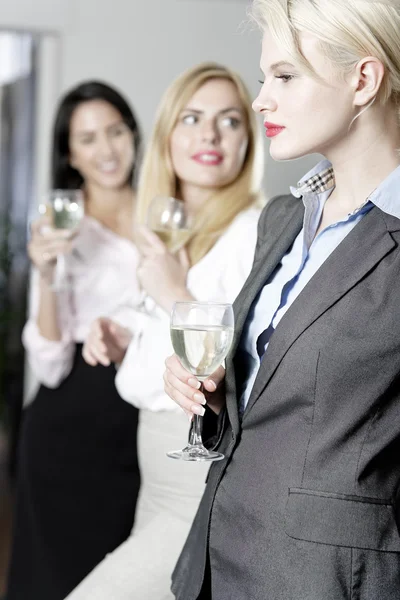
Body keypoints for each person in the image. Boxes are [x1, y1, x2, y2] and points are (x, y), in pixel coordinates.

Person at [164, 1, 400, 599]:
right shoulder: (282, 220)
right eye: (265, 76)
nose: (262, 99)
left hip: (323, 583)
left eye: (285, 76)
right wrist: (215, 396)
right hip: (215, 565)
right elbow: (276, 405)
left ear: (363, 80)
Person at [65, 62, 264, 600]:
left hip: (195, 480)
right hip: (151, 478)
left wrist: (174, 291)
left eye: (229, 121)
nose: (209, 134)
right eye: (193, 118)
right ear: (168, 134)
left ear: (249, 138)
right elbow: (168, 330)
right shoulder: (179, 232)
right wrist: (126, 329)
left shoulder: (256, 230)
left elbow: (244, 367)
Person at [6, 81, 142, 600]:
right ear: (69, 152)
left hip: (144, 419)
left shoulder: (167, 210)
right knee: (53, 580)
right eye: (87, 139)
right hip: (68, 428)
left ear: (133, 134)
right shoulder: (61, 225)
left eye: (115, 131)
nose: (106, 150)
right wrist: (44, 272)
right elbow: (49, 364)